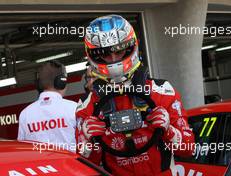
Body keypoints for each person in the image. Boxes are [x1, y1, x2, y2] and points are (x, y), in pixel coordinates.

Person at [76, 15, 195, 175]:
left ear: (132, 45)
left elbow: (189, 149)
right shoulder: (86, 105)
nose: (113, 58)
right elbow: (85, 167)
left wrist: (169, 130)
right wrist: (88, 141)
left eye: (119, 50)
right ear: (94, 55)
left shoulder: (162, 90)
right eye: (104, 53)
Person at [17, 61, 77, 152]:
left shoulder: (25, 114)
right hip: (69, 165)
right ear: (61, 82)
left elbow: (22, 149)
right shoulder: (74, 108)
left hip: (39, 165)